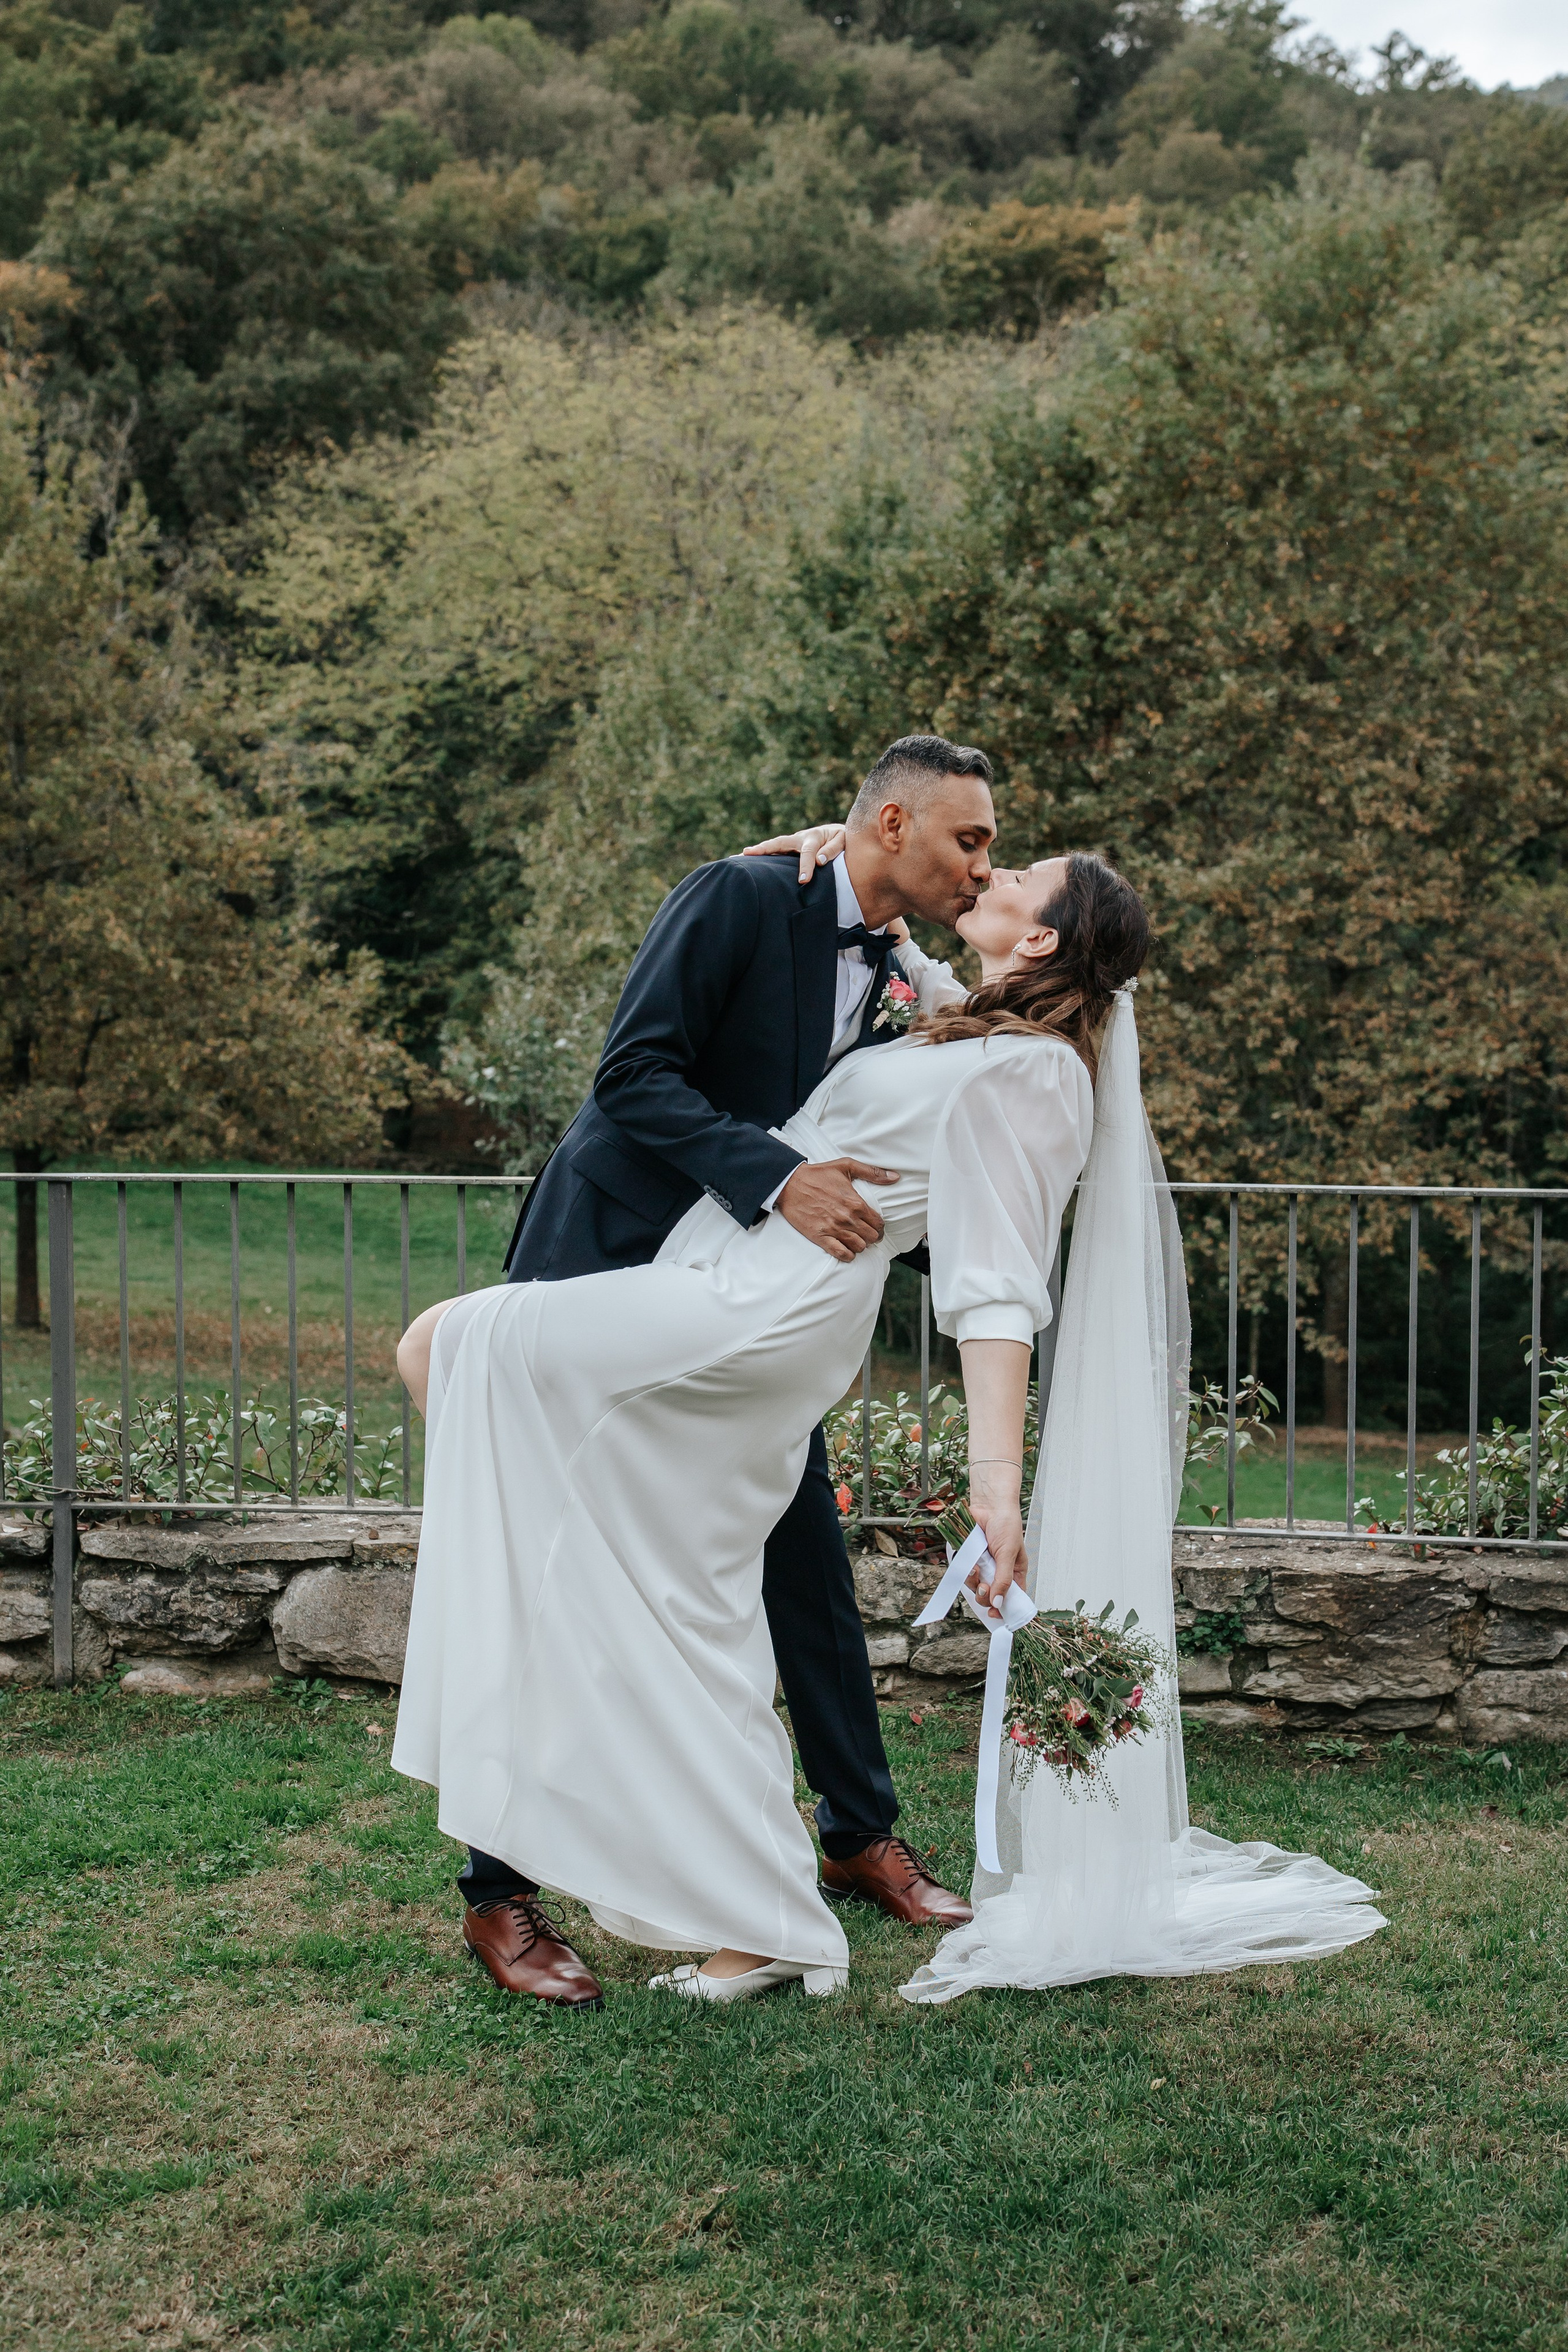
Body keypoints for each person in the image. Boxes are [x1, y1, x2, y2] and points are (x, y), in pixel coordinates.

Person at [391, 839, 1131, 1999]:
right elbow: (892, 930)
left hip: (758, 1310)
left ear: (1041, 937)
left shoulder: (1038, 1079)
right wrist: (830, 841)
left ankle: (581, 1629)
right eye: (981, 852)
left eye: (1013, 876)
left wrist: (998, 1485)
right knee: (696, 1611)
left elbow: (996, 1287)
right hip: (734, 1282)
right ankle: (764, 1924)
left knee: (442, 1345)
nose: (987, 876)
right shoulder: (976, 1026)